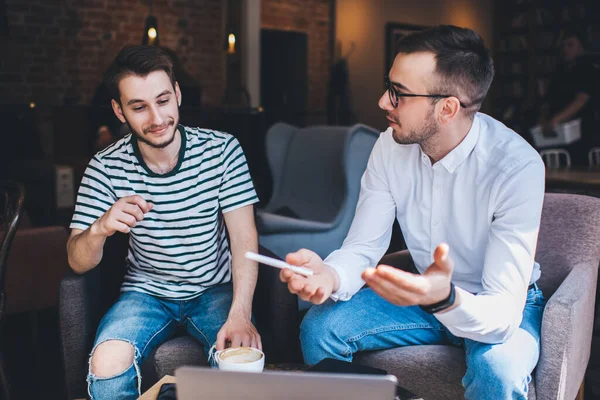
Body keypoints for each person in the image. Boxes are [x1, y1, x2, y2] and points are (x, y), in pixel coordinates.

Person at [279, 25, 546, 399]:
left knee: (498, 371)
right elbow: (363, 246)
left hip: (495, 304)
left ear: (447, 109)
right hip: (421, 297)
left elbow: (501, 314)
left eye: (398, 94)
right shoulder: (389, 147)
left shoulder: (517, 167)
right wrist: (331, 274)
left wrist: (445, 298)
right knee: (319, 330)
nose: (382, 103)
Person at [66, 45, 261, 399]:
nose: (156, 118)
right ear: (119, 111)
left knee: (239, 361)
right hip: (146, 293)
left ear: (178, 95)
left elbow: (244, 239)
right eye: (139, 107)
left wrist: (241, 313)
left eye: (163, 100)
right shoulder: (105, 167)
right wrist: (100, 227)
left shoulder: (222, 151)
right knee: (106, 363)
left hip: (213, 289)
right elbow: (77, 260)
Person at [540, 28, 599, 165]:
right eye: (563, 46)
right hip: (555, 133)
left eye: (570, 45)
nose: (565, 49)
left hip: (580, 132)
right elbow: (548, 100)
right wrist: (543, 118)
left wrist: (556, 120)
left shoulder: (588, 69)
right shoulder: (560, 71)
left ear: (581, 48)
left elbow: (581, 100)